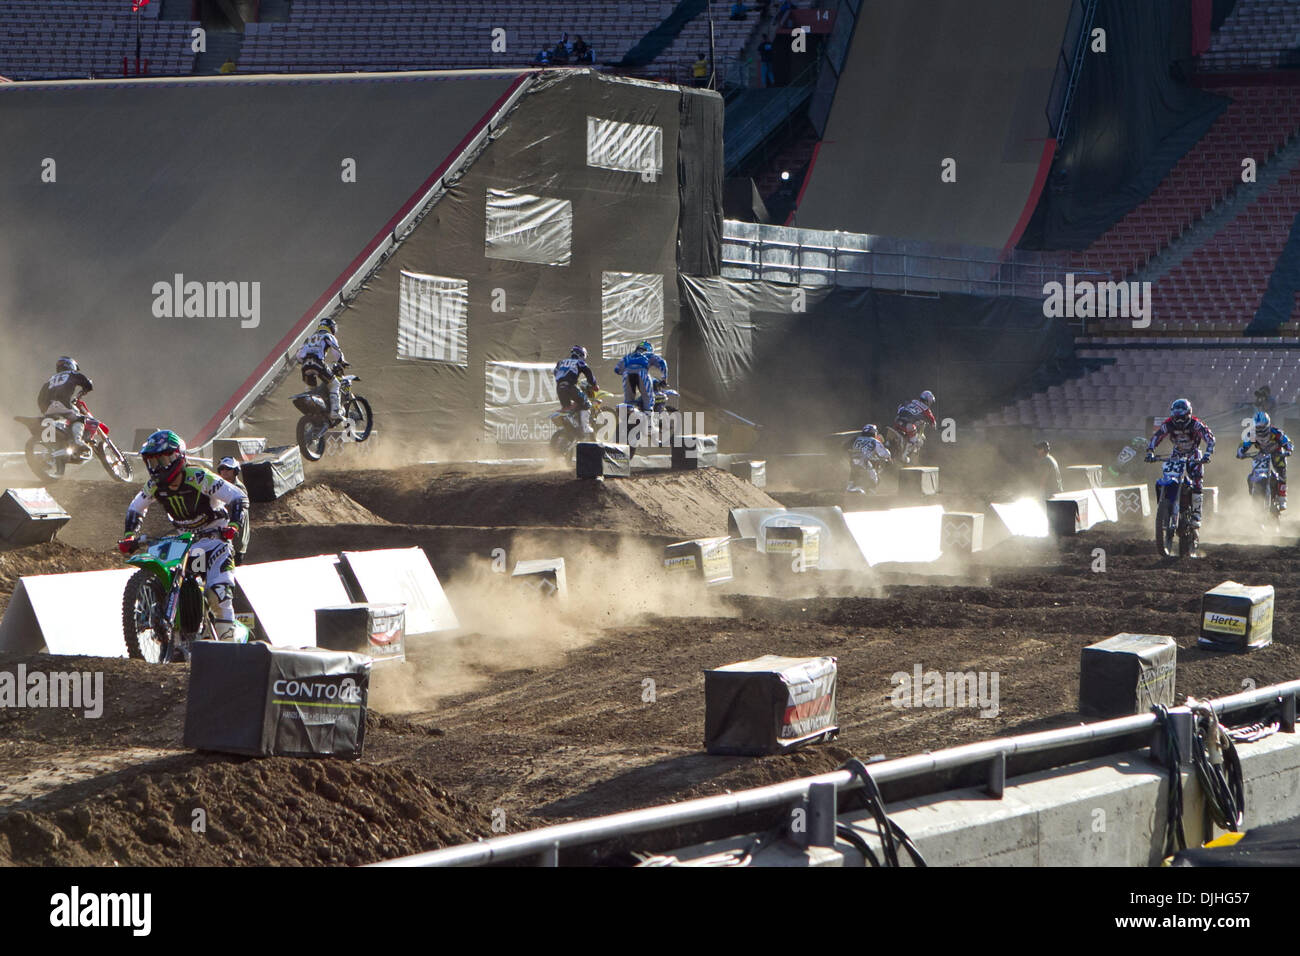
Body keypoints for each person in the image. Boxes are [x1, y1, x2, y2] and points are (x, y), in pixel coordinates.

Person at [119, 430, 247, 654]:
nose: (159, 466)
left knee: (218, 592)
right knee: (167, 577)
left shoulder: (199, 477)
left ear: (178, 457)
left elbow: (238, 497)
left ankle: (230, 651)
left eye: (164, 459)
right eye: (153, 461)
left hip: (215, 538)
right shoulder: (153, 485)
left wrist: (234, 526)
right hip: (183, 540)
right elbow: (135, 508)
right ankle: (176, 639)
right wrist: (130, 534)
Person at [1145, 398, 1215, 529]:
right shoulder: (1168, 424)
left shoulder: (1196, 424)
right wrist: (1150, 451)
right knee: (1168, 478)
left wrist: (1207, 454)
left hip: (1194, 454)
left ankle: (1196, 514)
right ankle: (1166, 507)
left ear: (1188, 414)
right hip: (1177, 454)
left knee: (1197, 481)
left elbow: (1210, 438)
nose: (1179, 422)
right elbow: (1156, 436)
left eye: (1182, 418)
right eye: (1176, 418)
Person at [295, 316, 348, 427]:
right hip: (318, 363)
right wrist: (341, 361)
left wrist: (305, 361)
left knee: (312, 390)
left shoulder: (310, 338)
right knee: (335, 383)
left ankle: (316, 414)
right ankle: (334, 412)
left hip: (305, 366)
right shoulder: (328, 336)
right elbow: (336, 350)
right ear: (331, 328)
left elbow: (299, 355)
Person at [38, 356, 95, 456]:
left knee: (59, 423)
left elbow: (40, 398)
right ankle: (77, 441)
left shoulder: (50, 379)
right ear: (70, 365)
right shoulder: (72, 373)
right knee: (79, 418)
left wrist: (44, 410)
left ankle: (61, 444)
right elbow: (87, 384)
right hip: (62, 403)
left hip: (48, 407)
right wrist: (88, 386)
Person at [1236, 410, 1293, 510]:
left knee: (1282, 472)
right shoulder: (1252, 434)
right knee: (1251, 475)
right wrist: (1240, 452)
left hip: (1277, 454)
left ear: (1267, 425)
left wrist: (1289, 449)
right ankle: (1254, 493)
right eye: (1258, 427)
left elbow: (1287, 442)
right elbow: (1244, 444)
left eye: (1262, 427)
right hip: (1262, 455)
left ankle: (1282, 498)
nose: (1260, 430)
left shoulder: (1275, 432)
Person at [554, 345, 599, 438]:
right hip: (570, 387)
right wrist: (594, 385)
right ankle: (585, 426)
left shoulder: (561, 362)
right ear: (581, 354)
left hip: (559, 388)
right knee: (586, 403)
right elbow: (588, 374)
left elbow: (556, 372)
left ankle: (573, 431)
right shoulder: (579, 362)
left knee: (567, 408)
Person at [614, 340, 667, 415]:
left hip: (627, 374)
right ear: (649, 349)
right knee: (648, 399)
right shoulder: (648, 354)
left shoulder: (628, 356)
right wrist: (664, 379)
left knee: (629, 402)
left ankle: (626, 421)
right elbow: (662, 363)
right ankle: (649, 423)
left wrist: (628, 370)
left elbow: (617, 369)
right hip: (642, 373)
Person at [216, 457, 252, 562]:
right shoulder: (219, 486)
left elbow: (241, 510)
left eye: (228, 469)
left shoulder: (238, 488)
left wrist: (233, 526)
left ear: (235, 471)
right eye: (222, 468)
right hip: (222, 539)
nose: (224, 471)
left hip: (235, 539)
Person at [847, 424, 891, 493]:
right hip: (865, 462)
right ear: (874, 432)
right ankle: (870, 490)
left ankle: (850, 486)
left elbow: (845, 447)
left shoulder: (856, 439)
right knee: (875, 478)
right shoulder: (874, 441)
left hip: (853, 460)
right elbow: (884, 454)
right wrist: (889, 458)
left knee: (854, 472)